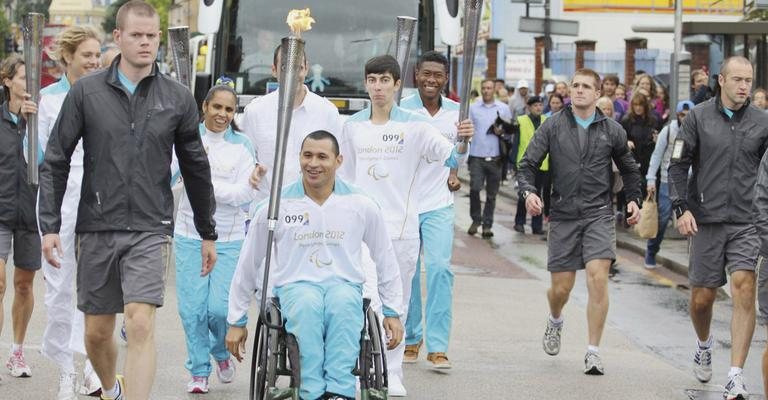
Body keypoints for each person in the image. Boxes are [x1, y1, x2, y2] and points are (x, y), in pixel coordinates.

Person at [38, 2, 218, 399]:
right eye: (136, 35)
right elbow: (55, 160)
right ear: (117, 37)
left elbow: (196, 167)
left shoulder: (177, 98)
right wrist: (50, 226)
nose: (145, 43)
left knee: (139, 323)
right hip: (97, 226)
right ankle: (109, 386)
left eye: (151, 36)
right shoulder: (87, 91)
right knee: (97, 334)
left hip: (150, 228)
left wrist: (208, 231)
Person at [226, 130, 405, 400]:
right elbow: (248, 263)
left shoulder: (361, 204)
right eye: (307, 155)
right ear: (299, 158)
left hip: (344, 285)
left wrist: (392, 311)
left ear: (338, 160)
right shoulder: (276, 205)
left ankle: (339, 392)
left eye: (322, 156)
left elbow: (385, 258)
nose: (313, 163)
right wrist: (237, 319)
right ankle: (311, 393)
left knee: (344, 305)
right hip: (296, 286)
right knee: (308, 306)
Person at [339, 55, 471, 396]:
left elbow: (453, 158)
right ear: (366, 84)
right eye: (373, 80)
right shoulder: (351, 126)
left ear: (397, 85)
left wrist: (464, 141)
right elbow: (343, 178)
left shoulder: (415, 126)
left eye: (385, 80)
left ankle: (392, 371)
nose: (378, 87)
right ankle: (358, 367)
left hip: (401, 230)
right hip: (362, 233)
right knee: (362, 301)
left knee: (397, 302)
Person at [518, 68, 642, 376]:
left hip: (599, 212)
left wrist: (633, 199)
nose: (579, 90)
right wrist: (529, 193)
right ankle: (556, 318)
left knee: (598, 277)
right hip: (563, 214)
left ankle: (593, 351)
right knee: (561, 289)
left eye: (586, 86)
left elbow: (628, 169)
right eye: (575, 85)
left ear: (598, 93)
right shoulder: (552, 126)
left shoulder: (612, 129)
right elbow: (528, 164)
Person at [669, 56, 768, 399]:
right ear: (721, 80)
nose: (744, 86)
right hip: (706, 220)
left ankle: (735, 374)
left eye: (749, 80)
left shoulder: (762, 122)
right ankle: (704, 343)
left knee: (743, 287)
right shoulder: (698, 117)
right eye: (738, 79)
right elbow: (678, 166)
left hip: (746, 222)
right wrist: (681, 208)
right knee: (702, 299)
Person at [174, 84, 257, 394]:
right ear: (205, 106)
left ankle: (220, 352)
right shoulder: (185, 138)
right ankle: (198, 370)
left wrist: (201, 183)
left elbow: (244, 195)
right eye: (217, 107)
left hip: (229, 237)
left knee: (220, 310)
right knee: (192, 310)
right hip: (188, 233)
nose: (222, 114)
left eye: (229, 109)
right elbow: (170, 176)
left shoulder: (242, 145)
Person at [37, 25, 103, 398]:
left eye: (97, 55)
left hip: (96, 199)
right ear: (67, 58)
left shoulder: (106, 94)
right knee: (60, 290)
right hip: (59, 201)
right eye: (87, 56)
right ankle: (66, 368)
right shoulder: (46, 100)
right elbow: (41, 162)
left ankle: (93, 367)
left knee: (94, 287)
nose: (94, 62)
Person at [400, 51, 469, 369]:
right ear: (416, 75)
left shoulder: (458, 114)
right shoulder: (401, 109)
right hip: (406, 204)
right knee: (408, 272)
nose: (431, 80)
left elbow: (459, 159)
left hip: (439, 203)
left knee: (441, 270)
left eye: (437, 75)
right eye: (426, 74)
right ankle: (411, 337)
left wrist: (457, 168)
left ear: (445, 79)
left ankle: (438, 346)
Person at [240, 43, 341, 204]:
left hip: (311, 209)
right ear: (274, 70)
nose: (292, 74)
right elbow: (244, 161)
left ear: (306, 69)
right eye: (286, 67)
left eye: (298, 68)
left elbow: (338, 166)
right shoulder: (255, 112)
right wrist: (252, 170)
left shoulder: (327, 112)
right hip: (266, 208)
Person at [0, 54, 41, 381]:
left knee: (24, 285)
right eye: (23, 77)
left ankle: (17, 351)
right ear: (7, 81)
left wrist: (31, 125)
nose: (29, 84)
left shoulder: (39, 121)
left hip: (30, 210)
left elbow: (46, 162)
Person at [643, 100, 693, 270]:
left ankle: (695, 259)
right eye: (682, 115)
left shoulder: (697, 130)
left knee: (691, 221)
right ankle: (651, 251)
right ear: (677, 115)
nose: (685, 118)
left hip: (690, 182)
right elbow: (657, 155)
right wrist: (651, 178)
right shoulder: (668, 130)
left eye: (688, 115)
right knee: (663, 218)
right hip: (667, 181)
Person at [468, 79, 512, 238]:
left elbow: (510, 131)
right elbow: (467, 130)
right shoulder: (473, 108)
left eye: (489, 88)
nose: (486, 91)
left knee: (492, 195)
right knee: (474, 189)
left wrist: (503, 133)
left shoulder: (504, 108)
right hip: (476, 156)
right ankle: (475, 220)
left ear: (494, 90)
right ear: (481, 89)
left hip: (496, 157)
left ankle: (487, 225)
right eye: (484, 88)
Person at [514, 95, 548, 235]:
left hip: (543, 165)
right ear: (529, 107)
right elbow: (516, 143)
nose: (538, 107)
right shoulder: (521, 121)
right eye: (535, 105)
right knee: (525, 194)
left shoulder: (547, 121)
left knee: (538, 195)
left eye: (540, 105)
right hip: (525, 165)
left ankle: (537, 226)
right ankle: (520, 222)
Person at [621, 92, 659, 198]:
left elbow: (657, 137)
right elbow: (620, 139)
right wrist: (626, 141)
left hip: (649, 158)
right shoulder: (626, 120)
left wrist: (656, 139)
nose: (638, 108)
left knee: (649, 191)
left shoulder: (653, 120)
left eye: (640, 105)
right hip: (633, 157)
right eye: (635, 105)